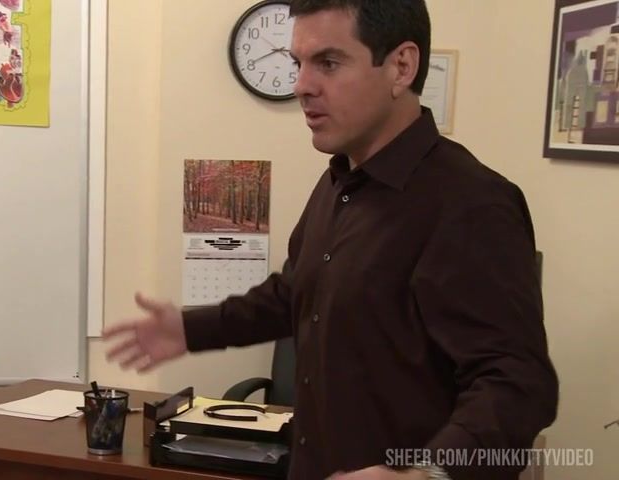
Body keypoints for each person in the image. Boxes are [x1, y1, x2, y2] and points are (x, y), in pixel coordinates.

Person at [103, 1, 559, 479]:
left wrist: (427, 474)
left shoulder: (472, 203)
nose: (302, 85)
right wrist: (190, 329)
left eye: (328, 62)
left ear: (401, 66)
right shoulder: (338, 182)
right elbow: (295, 294)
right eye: (298, 63)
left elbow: (518, 384)